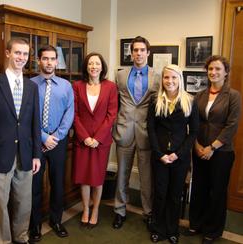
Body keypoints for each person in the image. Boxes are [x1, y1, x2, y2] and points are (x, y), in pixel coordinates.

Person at [0, 38, 41, 244]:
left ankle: (21, 237)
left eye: (25, 54)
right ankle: (3, 240)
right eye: (17, 53)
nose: (21, 58)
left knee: (24, 202)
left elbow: (35, 123)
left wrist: (36, 155)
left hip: (25, 154)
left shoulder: (32, 87)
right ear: (8, 53)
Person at [185, 55, 241, 244]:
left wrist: (212, 147)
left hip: (222, 152)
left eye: (218, 69)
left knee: (216, 191)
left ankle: (212, 230)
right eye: (210, 69)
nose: (213, 72)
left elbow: (231, 126)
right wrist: (197, 145)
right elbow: (194, 123)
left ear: (225, 72)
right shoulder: (200, 95)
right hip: (199, 148)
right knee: (199, 188)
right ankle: (196, 223)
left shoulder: (233, 96)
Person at [147, 64, 199, 243]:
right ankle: (157, 228)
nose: (170, 81)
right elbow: (151, 129)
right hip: (159, 155)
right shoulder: (155, 100)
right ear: (162, 79)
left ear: (180, 79)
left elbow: (193, 132)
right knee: (160, 193)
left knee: (175, 195)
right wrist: (159, 153)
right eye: (166, 77)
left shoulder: (190, 101)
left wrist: (178, 154)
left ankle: (172, 230)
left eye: (174, 77)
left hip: (180, 157)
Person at [112, 36, 159, 229]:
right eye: (135, 50)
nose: (138, 53)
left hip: (147, 133)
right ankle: (119, 211)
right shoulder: (120, 75)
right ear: (131, 53)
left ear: (148, 53)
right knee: (122, 174)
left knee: (147, 177)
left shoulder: (158, 76)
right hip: (124, 131)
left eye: (142, 50)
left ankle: (148, 212)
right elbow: (113, 103)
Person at [29, 45, 74, 242]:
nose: (48, 62)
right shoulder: (29, 84)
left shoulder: (66, 86)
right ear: (39, 60)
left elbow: (69, 113)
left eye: (52, 59)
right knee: (34, 186)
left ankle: (56, 220)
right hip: (35, 143)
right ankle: (35, 225)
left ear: (57, 62)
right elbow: (25, 116)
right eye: (45, 58)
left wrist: (56, 137)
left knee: (58, 183)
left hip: (58, 143)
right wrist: (43, 137)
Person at [73, 52, 118, 228]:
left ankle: (96, 209)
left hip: (102, 141)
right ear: (86, 66)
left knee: (98, 178)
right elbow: (74, 114)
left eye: (97, 64)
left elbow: (111, 114)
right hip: (82, 140)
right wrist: (84, 137)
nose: (93, 67)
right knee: (84, 178)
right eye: (90, 63)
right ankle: (85, 209)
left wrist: (97, 138)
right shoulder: (77, 86)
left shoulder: (110, 87)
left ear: (102, 66)